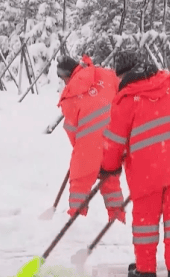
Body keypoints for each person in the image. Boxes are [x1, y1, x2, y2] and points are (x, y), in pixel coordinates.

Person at [100, 51, 170, 277]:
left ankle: (146, 268)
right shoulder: (169, 87)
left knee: (145, 221)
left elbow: (115, 140)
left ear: (123, 76)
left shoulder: (126, 99)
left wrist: (109, 167)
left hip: (146, 171)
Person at [56, 55, 126, 224]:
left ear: (66, 76)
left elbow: (71, 129)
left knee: (79, 181)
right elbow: (123, 92)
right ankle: (117, 221)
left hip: (88, 145)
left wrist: (81, 148)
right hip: (114, 139)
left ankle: (76, 222)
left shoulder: (70, 96)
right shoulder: (103, 73)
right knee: (111, 180)